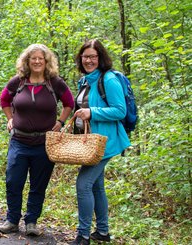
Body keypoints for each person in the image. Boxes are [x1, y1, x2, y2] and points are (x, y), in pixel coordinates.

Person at [0, 44, 74, 236]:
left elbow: (69, 103)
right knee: (13, 181)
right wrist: (10, 119)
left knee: (39, 184)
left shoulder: (55, 83)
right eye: (34, 58)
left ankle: (31, 221)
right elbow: (4, 100)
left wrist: (60, 122)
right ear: (27, 61)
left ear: (46, 61)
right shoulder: (18, 82)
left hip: (44, 143)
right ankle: (12, 219)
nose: (37, 61)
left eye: (41, 58)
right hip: (19, 141)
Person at [69, 39, 130, 245]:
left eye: (93, 56)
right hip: (90, 144)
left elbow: (120, 110)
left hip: (105, 142)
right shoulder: (85, 80)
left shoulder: (109, 79)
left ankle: (83, 235)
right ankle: (102, 231)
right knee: (96, 186)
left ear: (100, 58)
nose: (88, 60)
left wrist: (91, 112)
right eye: (85, 56)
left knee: (83, 185)